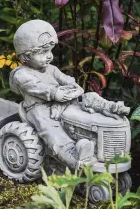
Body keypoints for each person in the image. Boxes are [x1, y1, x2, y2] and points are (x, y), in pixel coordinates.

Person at [9, 20, 95, 169]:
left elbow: (67, 80)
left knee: (85, 107)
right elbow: (35, 86)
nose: (48, 56)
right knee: (51, 129)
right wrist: (54, 92)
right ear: (25, 57)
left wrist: (75, 87)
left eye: (49, 51)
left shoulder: (52, 69)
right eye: (42, 52)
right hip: (37, 110)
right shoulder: (21, 74)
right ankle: (72, 156)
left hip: (61, 103)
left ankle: (90, 143)